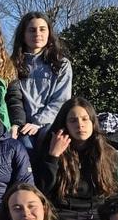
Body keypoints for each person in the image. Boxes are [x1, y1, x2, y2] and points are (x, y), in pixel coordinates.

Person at [34, 97, 118, 220]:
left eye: (85, 119)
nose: (80, 125)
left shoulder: (107, 153)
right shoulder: (50, 149)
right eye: (73, 120)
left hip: (96, 217)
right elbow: (41, 190)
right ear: (64, 125)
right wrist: (53, 157)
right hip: (62, 218)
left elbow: (113, 193)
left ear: (93, 122)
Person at [11, 12, 73, 142]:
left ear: (49, 33)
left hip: (50, 124)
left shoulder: (61, 64)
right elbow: (12, 99)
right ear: (23, 34)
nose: (37, 34)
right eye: (32, 30)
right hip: (21, 126)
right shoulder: (11, 65)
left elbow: (61, 100)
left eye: (42, 29)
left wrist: (38, 122)